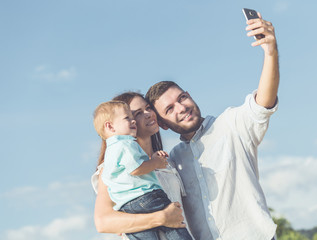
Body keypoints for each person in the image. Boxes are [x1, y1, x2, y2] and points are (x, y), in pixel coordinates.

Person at [95, 12, 279, 240]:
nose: (180, 108)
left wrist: (270, 51)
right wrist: (160, 219)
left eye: (181, 98)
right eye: (169, 109)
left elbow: (263, 103)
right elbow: (104, 221)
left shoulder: (223, 129)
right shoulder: (151, 162)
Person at [92, 92, 193, 239]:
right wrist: (161, 218)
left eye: (148, 108)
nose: (148, 114)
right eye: (137, 113)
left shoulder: (170, 163)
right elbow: (103, 222)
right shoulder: (112, 169)